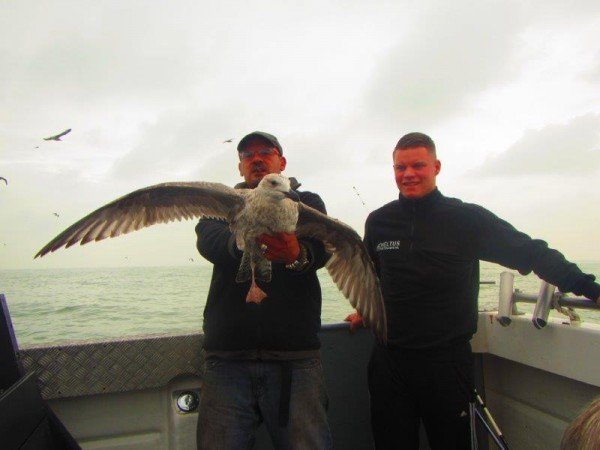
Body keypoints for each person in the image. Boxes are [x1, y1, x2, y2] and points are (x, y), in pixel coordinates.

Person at [358, 132, 600, 449]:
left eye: (418, 165)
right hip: (389, 363)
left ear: (436, 167)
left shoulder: (466, 219)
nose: (408, 174)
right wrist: (364, 308)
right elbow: (368, 275)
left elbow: (532, 252)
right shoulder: (379, 222)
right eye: (400, 168)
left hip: (446, 364)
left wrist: (590, 289)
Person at [195, 131, 333, 449]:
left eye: (266, 152)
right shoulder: (221, 202)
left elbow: (322, 249)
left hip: (295, 361)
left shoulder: (306, 202)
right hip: (227, 359)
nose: (256, 158)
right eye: (247, 155)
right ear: (241, 167)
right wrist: (247, 242)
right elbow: (209, 240)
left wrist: (298, 253)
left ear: (281, 163)